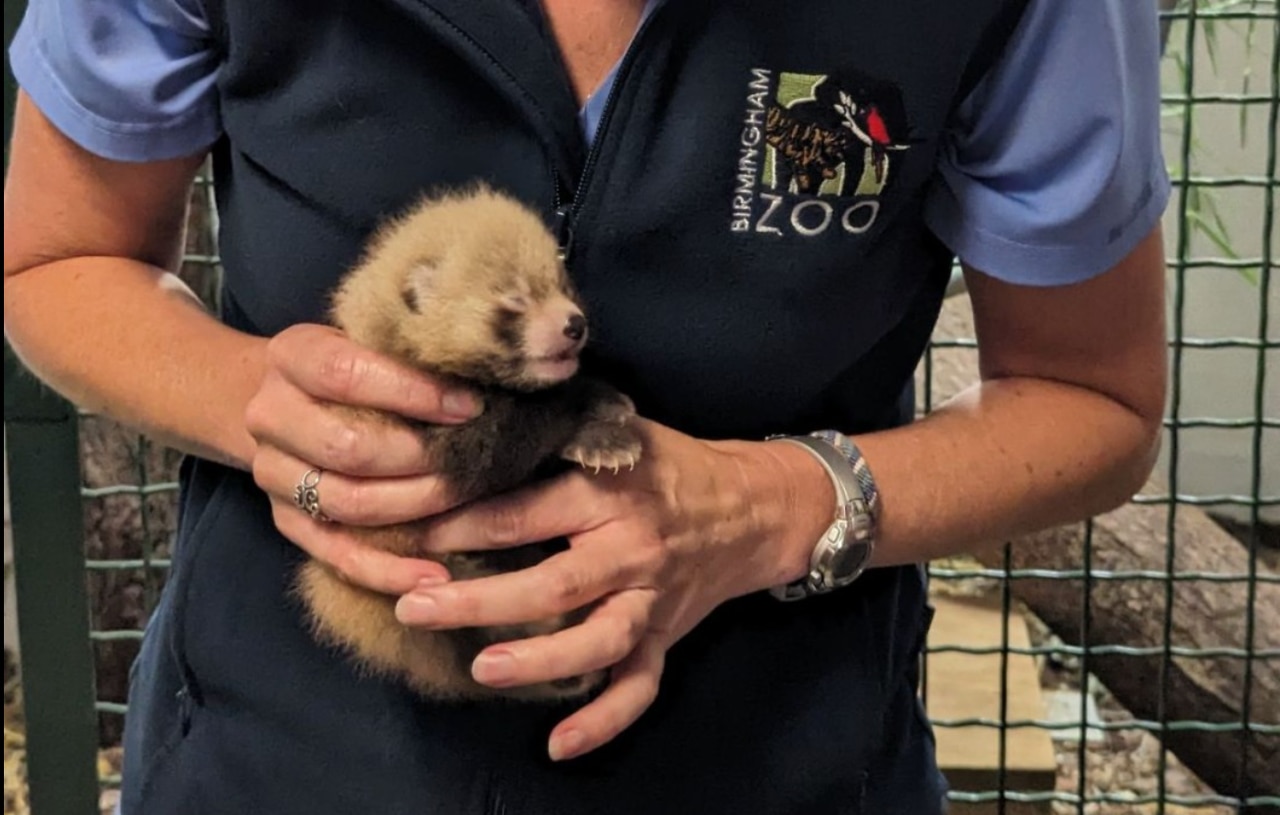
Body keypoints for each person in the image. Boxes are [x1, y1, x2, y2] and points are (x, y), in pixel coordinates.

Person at [3, 0, 1171, 812]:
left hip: (772, 757)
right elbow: (54, 259)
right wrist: (269, 404)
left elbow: (1088, 395)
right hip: (281, 746)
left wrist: (776, 504)